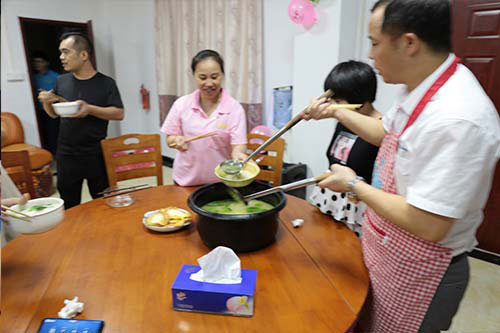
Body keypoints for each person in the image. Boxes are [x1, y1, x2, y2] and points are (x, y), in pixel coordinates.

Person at [303, 0, 500, 332]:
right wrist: (335, 111)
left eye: (375, 43)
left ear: (409, 43)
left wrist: (354, 185)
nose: (370, 55)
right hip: (388, 251)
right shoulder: (419, 89)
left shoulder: (458, 118)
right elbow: (385, 132)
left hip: (423, 269)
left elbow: (428, 223)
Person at [38, 32, 124, 209]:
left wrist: (90, 109)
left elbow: (118, 113)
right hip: (66, 154)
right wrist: (47, 102)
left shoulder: (106, 83)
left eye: (66, 52)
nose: (61, 57)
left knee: (103, 202)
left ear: (84, 55)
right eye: (60, 52)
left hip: (96, 153)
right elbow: (54, 114)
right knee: (69, 204)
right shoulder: (61, 81)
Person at [308, 61, 380, 236]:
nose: (331, 105)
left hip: (357, 210)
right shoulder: (345, 120)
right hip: (328, 201)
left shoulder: (380, 129)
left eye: (337, 101)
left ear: (361, 101)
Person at [161, 49, 247, 186]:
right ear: (194, 76)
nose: (209, 83)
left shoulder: (234, 108)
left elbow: (238, 145)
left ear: (222, 76)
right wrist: (176, 140)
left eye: (214, 77)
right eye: (202, 77)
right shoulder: (181, 104)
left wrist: (239, 155)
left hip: (221, 181)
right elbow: (170, 139)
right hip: (186, 180)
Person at [32, 51, 60, 155]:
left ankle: (56, 155)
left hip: (53, 110)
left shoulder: (55, 77)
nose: (37, 64)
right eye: (35, 62)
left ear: (46, 63)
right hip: (40, 111)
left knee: (54, 134)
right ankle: (48, 155)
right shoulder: (34, 77)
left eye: (40, 61)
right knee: (44, 134)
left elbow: (60, 94)